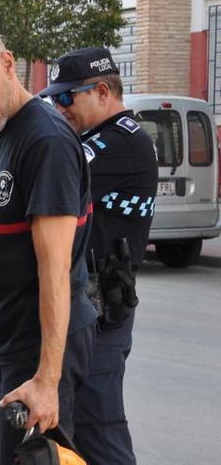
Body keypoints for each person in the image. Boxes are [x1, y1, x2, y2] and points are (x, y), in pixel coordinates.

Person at [0, 24, 97, 465]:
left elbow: (55, 269)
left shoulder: (45, 141)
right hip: (18, 342)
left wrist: (47, 378)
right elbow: (6, 253)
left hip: (43, 350)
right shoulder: (1, 133)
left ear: (8, 64)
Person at [38, 47, 158, 465]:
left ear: (101, 91)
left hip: (101, 313)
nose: (58, 106)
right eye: (53, 99)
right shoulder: (95, 139)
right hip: (87, 308)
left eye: (67, 97)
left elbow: (46, 173)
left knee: (98, 432)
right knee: (70, 433)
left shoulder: (120, 142)